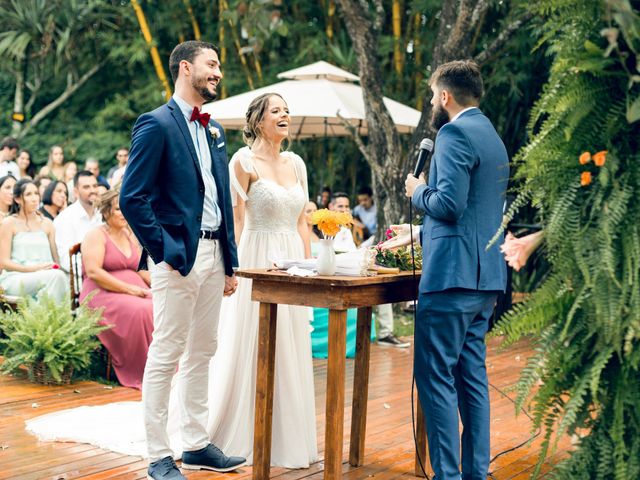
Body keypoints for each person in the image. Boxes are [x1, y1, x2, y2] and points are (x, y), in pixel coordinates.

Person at [119, 40, 244, 479]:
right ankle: (158, 453)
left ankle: (195, 444)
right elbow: (131, 198)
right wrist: (165, 250)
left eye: (220, 66)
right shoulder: (155, 124)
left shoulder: (215, 129)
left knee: (203, 351)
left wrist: (230, 260)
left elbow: (221, 198)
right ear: (185, 67)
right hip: (178, 257)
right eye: (212, 64)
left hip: (215, 254)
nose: (218, 73)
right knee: (167, 352)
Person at [404, 60, 509, 480]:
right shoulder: (493, 137)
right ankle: (474, 474)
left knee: (435, 377)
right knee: (471, 381)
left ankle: (447, 475)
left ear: (445, 96)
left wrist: (417, 191)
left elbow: (449, 205)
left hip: (451, 278)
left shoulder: (452, 132)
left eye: (433, 94)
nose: (432, 101)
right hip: (485, 280)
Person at [207, 92, 318, 467]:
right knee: (252, 339)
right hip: (257, 256)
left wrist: (308, 269)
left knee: (290, 341)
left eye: (287, 110)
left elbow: (303, 220)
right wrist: (230, 266)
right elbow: (235, 220)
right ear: (258, 121)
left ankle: (288, 435)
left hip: (293, 261)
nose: (285, 115)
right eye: (277, 111)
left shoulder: (297, 163)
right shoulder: (242, 161)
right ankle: (241, 431)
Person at [80, 187, 153, 389]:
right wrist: (129, 289)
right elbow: (94, 272)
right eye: (119, 209)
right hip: (101, 293)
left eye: (125, 209)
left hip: (134, 291)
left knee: (162, 303)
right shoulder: (96, 235)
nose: (124, 214)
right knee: (142, 310)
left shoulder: (129, 235)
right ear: (106, 212)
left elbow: (141, 270)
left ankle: (164, 369)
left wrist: (162, 286)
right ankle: (141, 370)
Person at [331, 191, 409, 347]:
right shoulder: (325, 227)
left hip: (352, 269)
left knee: (382, 285)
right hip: (336, 272)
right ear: (331, 207)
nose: (344, 209)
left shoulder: (346, 230)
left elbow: (352, 253)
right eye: (340, 206)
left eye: (347, 206)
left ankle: (385, 334)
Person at [0, 179, 68, 302]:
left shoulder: (47, 224)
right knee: (56, 277)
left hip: (47, 276)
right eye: (28, 194)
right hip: (17, 277)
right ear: (17, 199)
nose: (34, 198)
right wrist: (33, 269)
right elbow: (3, 262)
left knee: (60, 278)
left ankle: (42, 318)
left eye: (36, 193)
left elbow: (56, 259)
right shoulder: (9, 223)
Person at [53, 171, 101, 273]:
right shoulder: (65, 219)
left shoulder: (102, 215)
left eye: (95, 186)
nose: (93, 190)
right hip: (81, 278)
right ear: (75, 192)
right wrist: (97, 272)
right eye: (86, 187)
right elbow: (67, 260)